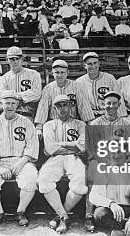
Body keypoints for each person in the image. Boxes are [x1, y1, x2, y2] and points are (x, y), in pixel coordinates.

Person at [0, 90, 39, 227]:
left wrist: (23, 161)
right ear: (1, 104)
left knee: (31, 177)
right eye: (7, 103)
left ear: (18, 105)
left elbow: (32, 145)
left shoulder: (26, 122)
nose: (10, 106)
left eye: (13, 103)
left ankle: (21, 211)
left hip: (22, 160)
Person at [86, 91, 130, 233]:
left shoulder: (126, 124)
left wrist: (128, 161)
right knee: (93, 169)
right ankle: (89, 215)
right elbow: (90, 149)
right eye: (108, 103)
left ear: (119, 105)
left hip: (121, 160)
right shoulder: (95, 123)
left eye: (114, 103)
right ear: (103, 105)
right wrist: (104, 161)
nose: (111, 106)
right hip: (100, 159)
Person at [38, 95, 88, 233]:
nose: (62, 108)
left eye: (65, 105)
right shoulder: (49, 125)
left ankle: (60, 215)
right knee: (43, 180)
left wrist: (60, 144)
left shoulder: (80, 124)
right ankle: (64, 216)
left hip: (74, 158)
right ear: (54, 108)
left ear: (71, 106)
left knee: (80, 182)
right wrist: (73, 145)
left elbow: (82, 147)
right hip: (56, 158)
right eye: (58, 106)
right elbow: (50, 148)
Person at [35, 60, 94, 136]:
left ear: (67, 73)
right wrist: (39, 128)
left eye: (62, 72)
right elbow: (42, 109)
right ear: (52, 73)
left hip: (73, 123)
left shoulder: (76, 86)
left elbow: (84, 107)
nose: (59, 75)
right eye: (57, 72)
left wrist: (91, 125)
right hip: (54, 123)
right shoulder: (48, 88)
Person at [75, 52, 126, 118]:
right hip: (90, 116)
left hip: (108, 114)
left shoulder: (110, 78)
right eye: (89, 64)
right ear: (84, 65)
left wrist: (122, 117)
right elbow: (81, 105)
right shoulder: (79, 82)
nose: (93, 66)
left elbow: (119, 98)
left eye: (95, 63)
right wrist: (89, 121)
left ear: (99, 64)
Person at [0, 46, 42, 118]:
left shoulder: (34, 74)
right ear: (7, 60)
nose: (15, 62)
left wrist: (15, 96)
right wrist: (25, 96)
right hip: (9, 116)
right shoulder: (3, 79)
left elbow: (37, 94)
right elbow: (2, 99)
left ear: (22, 59)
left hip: (28, 114)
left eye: (17, 59)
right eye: (12, 59)